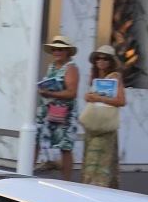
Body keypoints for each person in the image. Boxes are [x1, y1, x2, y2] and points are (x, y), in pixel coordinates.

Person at [81, 44, 127, 188]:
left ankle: (97, 187)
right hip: (95, 125)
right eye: (98, 58)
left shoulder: (115, 77)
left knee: (99, 159)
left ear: (111, 61)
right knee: (94, 158)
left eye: (105, 58)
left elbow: (121, 101)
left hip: (104, 126)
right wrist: (89, 97)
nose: (101, 61)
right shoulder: (97, 78)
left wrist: (100, 99)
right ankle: (96, 186)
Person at [37, 35, 80, 180]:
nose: (57, 52)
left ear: (67, 51)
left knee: (65, 147)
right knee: (37, 140)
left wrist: (49, 92)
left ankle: (66, 181)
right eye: (54, 49)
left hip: (65, 112)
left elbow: (72, 92)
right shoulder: (51, 66)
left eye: (60, 49)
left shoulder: (71, 68)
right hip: (48, 110)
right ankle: (27, 174)